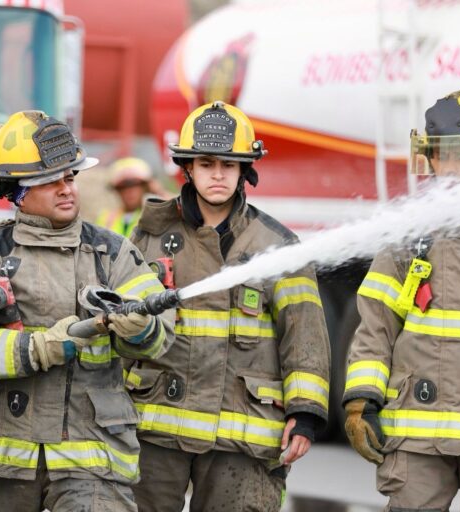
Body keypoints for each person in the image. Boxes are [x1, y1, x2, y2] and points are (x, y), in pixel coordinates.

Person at [0, 110, 175, 511]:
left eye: (70, 177)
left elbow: (160, 338)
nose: (66, 189)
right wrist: (39, 348)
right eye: (49, 181)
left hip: (92, 457)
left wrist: (140, 328)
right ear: (18, 192)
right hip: (0, 454)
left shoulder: (113, 252)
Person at [128, 101, 330, 512]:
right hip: (155, 424)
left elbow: (304, 336)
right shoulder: (149, 237)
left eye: (228, 164)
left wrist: (305, 413)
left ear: (244, 170)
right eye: (206, 163)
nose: (217, 174)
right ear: (188, 167)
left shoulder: (276, 246)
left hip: (242, 432)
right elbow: (120, 329)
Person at [343, 90, 460, 511]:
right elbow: (374, 325)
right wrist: (362, 399)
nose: (450, 169)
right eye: (442, 157)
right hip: (418, 432)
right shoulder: (408, 234)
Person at [96, 157, 158, 238]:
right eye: (123, 188)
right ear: (117, 191)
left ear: (145, 188)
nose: (130, 192)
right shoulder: (105, 219)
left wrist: (160, 192)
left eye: (135, 185)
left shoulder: (153, 216)